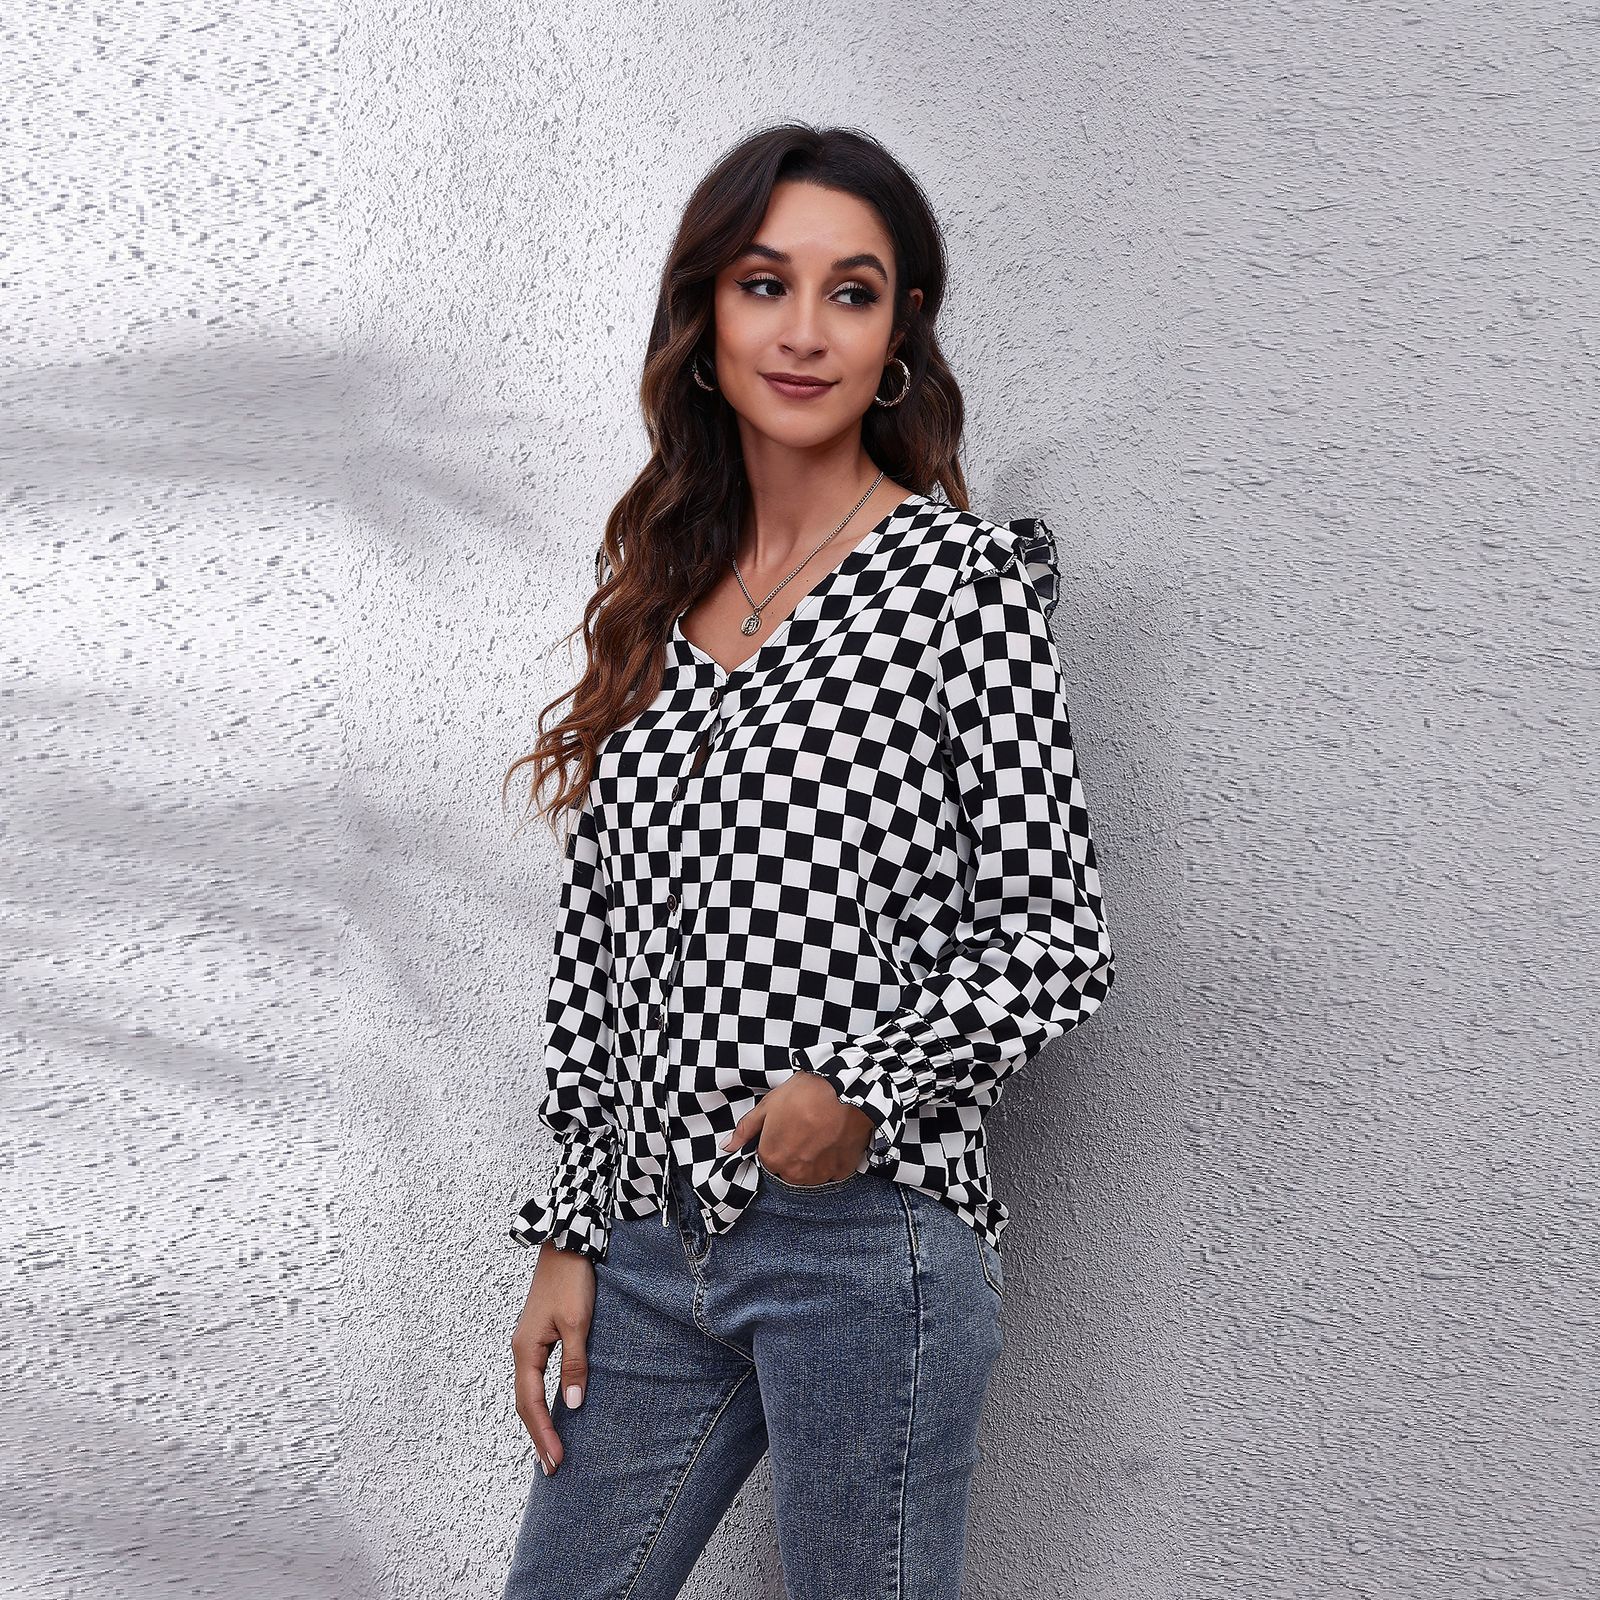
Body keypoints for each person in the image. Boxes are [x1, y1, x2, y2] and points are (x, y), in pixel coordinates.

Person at [498, 123, 1118, 1600]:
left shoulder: (961, 586)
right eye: (766, 284)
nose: (804, 331)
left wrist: (861, 1086)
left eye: (853, 292)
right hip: (651, 1251)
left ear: (900, 335)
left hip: (865, 1244)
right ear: (705, 318)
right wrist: (571, 1235)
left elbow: (1057, 937)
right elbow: (598, 960)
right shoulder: (656, 605)